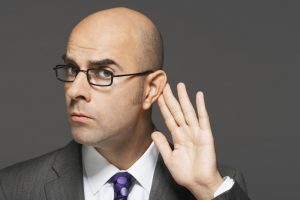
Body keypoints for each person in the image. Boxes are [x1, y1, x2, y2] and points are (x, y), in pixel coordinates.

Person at [0, 7, 250, 200]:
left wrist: (208, 189)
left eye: (103, 73)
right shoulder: (12, 188)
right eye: (71, 69)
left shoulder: (217, 186)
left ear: (151, 89)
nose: (75, 90)